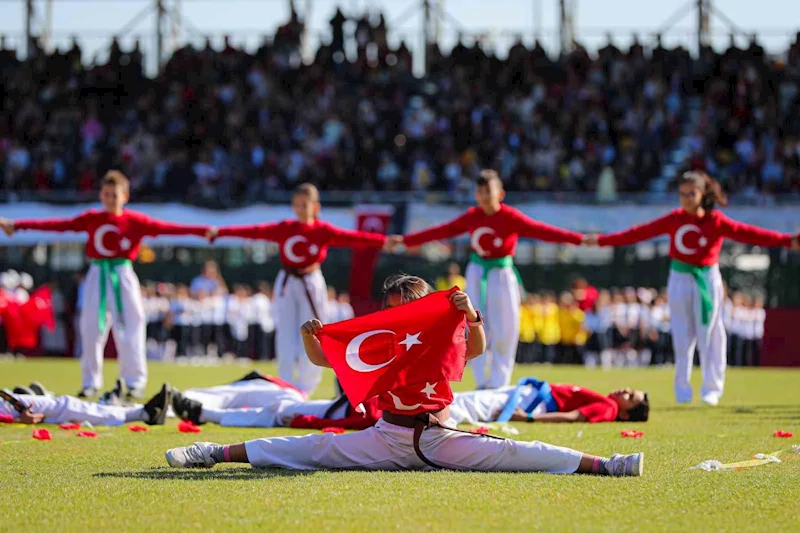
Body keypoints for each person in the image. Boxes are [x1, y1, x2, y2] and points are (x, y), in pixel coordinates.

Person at [165, 274, 643, 476]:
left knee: (519, 453)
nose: (403, 314)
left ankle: (607, 464)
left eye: (410, 305)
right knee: (304, 448)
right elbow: (322, 362)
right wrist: (314, 338)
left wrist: (471, 315)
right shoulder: (379, 342)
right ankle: (212, 452)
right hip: (386, 434)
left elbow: (475, 349)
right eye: (395, 308)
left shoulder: (440, 331)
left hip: (439, 433)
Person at [586, 171, 800, 405]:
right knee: (681, 334)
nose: (687, 198)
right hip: (679, 277)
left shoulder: (715, 221)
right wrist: (602, 241)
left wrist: (786, 240)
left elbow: (748, 233)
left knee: (710, 334)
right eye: (682, 194)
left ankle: (711, 389)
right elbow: (638, 233)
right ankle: (682, 390)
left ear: (703, 194)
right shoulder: (674, 219)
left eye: (692, 193)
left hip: (707, 278)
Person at [0, 171, 210, 398]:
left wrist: (202, 231)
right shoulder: (92, 218)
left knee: (133, 326)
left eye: (115, 195)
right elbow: (59, 225)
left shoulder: (135, 221)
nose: (110, 199)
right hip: (97, 274)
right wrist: (18, 226)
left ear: (125, 197)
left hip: (123, 274)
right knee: (90, 329)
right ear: (101, 195)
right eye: (107, 194)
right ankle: (90, 382)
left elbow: (168, 229)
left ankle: (134, 382)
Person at [396, 171, 584, 389]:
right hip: (477, 272)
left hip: (501, 273)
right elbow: (444, 230)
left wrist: (578, 239)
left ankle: (499, 384)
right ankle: (480, 382)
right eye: (480, 192)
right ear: (476, 194)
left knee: (506, 328)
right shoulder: (472, 216)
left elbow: (542, 231)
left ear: (500, 194)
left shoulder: (510, 217)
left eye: (489, 191)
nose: (484, 196)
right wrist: (407, 240)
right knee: (473, 322)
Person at [208, 183, 390, 394]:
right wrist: (220, 232)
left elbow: (355, 238)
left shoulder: (323, 230)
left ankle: (306, 387)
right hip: (287, 281)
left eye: (304, 205)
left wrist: (383, 241)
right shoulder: (286, 228)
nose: (300, 209)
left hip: (311, 282)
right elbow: (253, 232)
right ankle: (284, 385)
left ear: (315, 207)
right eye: (296, 205)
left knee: (314, 331)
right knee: (284, 333)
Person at [0, 383, 173, 426]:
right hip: (10, 407)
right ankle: (141, 414)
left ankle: (134, 410)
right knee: (66, 407)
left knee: (65, 405)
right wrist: (14, 420)